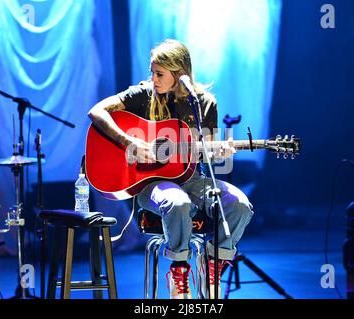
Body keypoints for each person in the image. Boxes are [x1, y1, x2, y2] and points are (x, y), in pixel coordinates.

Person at [88, 39, 254, 299]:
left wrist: (219, 151)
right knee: (177, 202)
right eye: (152, 72)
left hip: (192, 179)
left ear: (179, 74)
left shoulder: (204, 103)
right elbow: (96, 112)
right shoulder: (143, 95)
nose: (153, 78)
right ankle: (179, 271)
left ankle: (213, 265)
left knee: (239, 204)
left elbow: (205, 151)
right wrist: (129, 141)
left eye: (159, 74)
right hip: (151, 185)